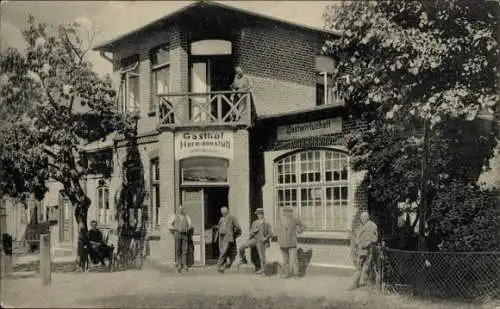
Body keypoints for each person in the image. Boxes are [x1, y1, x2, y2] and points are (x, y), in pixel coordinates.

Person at [349, 211, 379, 290]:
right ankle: (357, 284)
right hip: (362, 249)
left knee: (366, 266)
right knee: (361, 266)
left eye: (362, 218)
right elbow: (359, 236)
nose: (361, 220)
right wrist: (357, 241)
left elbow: (375, 238)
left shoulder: (372, 226)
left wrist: (366, 244)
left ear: (366, 218)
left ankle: (362, 284)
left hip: (368, 249)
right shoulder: (363, 225)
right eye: (361, 218)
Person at [237, 208, 272, 274]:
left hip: (261, 241)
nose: (259, 215)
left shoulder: (267, 223)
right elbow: (250, 233)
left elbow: (271, 233)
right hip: (255, 239)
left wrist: (266, 238)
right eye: (258, 214)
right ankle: (243, 259)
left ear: (263, 214)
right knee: (241, 247)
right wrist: (253, 231)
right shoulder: (255, 223)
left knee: (262, 256)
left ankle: (263, 269)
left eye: (260, 214)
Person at [276, 206, 305, 278]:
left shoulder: (295, 219)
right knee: (285, 260)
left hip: (292, 243)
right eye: (285, 212)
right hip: (283, 243)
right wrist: (279, 240)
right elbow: (278, 231)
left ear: (290, 212)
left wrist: (299, 231)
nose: (286, 213)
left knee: (294, 259)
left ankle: (296, 274)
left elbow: (303, 226)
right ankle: (286, 274)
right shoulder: (280, 220)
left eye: (288, 212)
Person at [216, 206, 241, 273]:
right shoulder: (221, 219)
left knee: (224, 250)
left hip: (227, 237)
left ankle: (219, 264)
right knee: (222, 250)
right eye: (222, 212)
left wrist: (233, 234)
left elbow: (237, 227)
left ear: (227, 211)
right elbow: (219, 226)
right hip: (221, 236)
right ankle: (223, 266)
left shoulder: (232, 217)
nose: (223, 213)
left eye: (224, 212)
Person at [168, 206, 193, 273]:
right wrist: (175, 228)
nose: (181, 210)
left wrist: (188, 228)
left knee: (185, 249)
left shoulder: (186, 216)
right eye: (179, 209)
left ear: (183, 210)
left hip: (185, 234)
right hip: (177, 234)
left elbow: (191, 225)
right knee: (178, 249)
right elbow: (169, 225)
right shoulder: (174, 216)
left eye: (182, 209)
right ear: (177, 210)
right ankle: (179, 264)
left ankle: (184, 264)